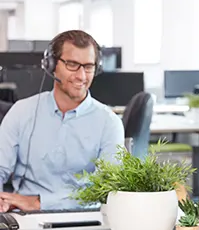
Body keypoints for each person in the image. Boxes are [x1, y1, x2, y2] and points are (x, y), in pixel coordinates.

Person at [0, 30, 125, 212]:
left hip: (85, 219)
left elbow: (105, 189)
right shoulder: (22, 111)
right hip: (26, 218)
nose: (81, 76)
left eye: (88, 66)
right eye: (72, 64)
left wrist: (39, 203)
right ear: (51, 65)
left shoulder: (109, 123)